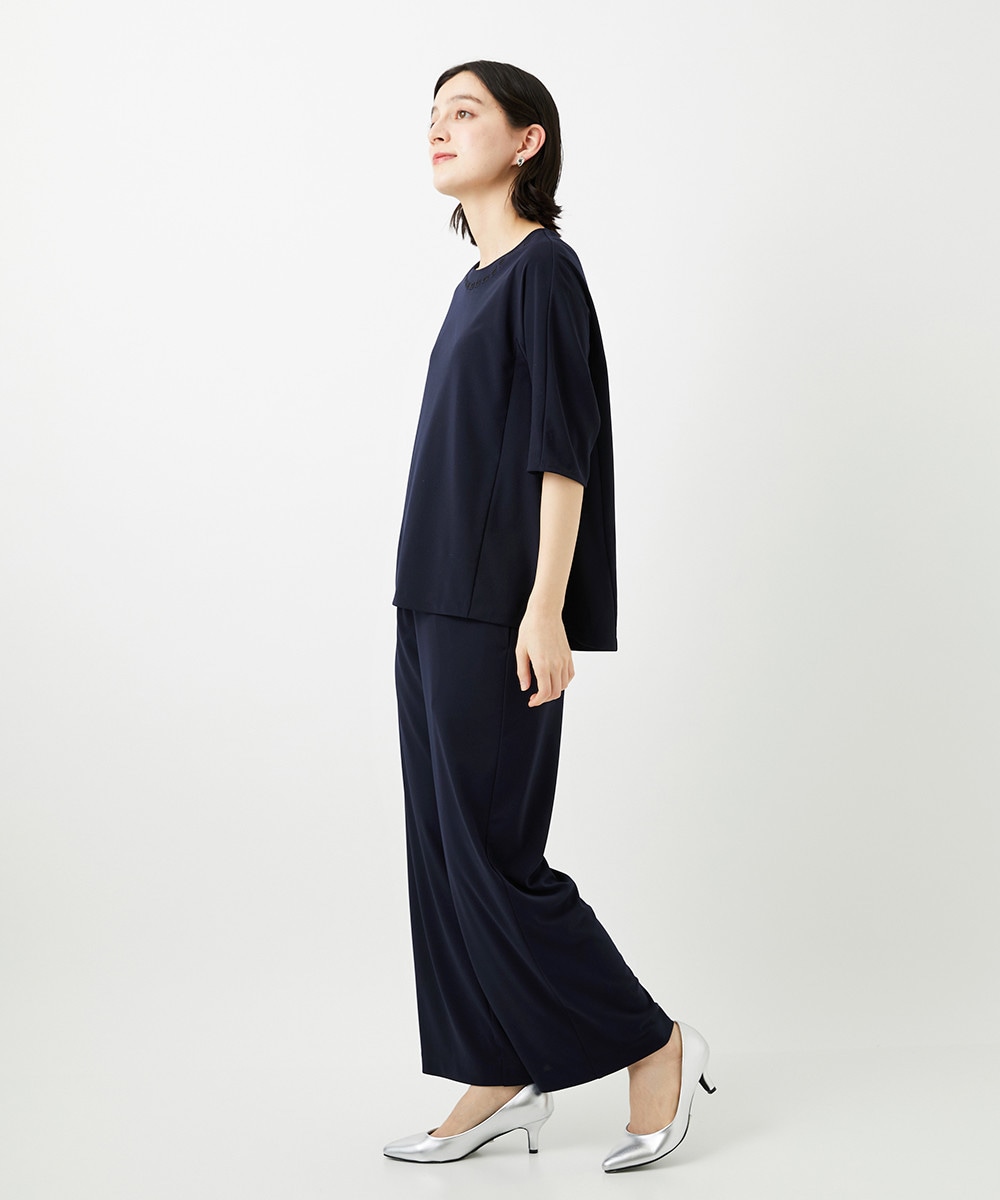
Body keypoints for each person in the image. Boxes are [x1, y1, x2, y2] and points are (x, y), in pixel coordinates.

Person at [384, 60, 716, 1173]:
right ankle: (497, 1068)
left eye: (465, 111)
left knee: (496, 856)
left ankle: (653, 1042)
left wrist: (543, 608)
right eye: (432, 114)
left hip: (496, 610)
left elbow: (558, 456)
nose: (439, 127)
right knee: (445, 856)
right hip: (428, 598)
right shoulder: (474, 282)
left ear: (527, 141)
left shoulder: (544, 272)